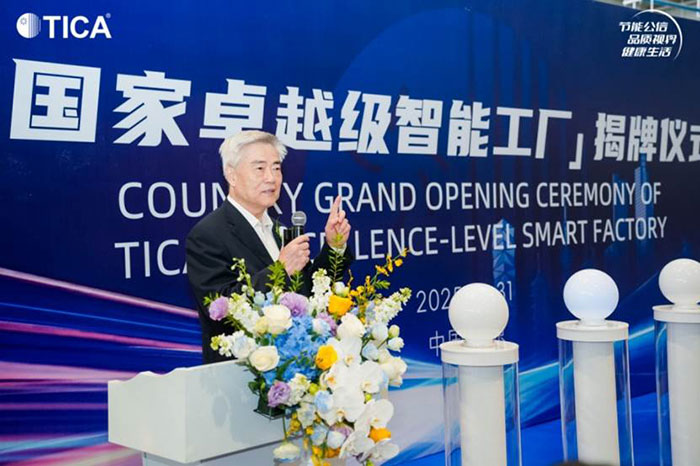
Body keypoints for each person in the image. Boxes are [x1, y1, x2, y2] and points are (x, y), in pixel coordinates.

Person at [186, 130, 352, 363]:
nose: (271, 178)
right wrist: (280, 271)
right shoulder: (207, 235)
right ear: (232, 175)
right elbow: (220, 308)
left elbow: (309, 290)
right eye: (259, 168)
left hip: (295, 365)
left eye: (276, 168)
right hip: (242, 371)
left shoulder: (278, 229)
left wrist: (334, 247)